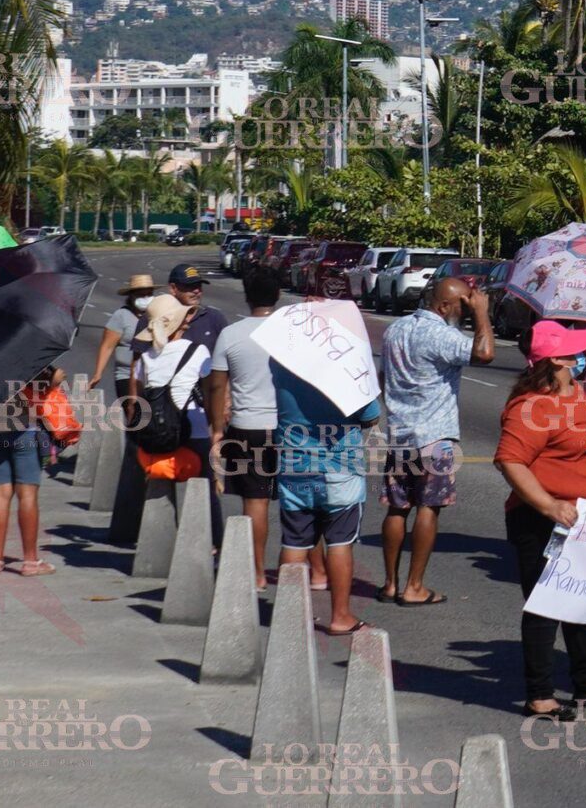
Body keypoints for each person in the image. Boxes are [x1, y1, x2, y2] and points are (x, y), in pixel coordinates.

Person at [496, 320, 586, 720]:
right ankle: (540, 694)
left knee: (582, 601)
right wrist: (550, 506)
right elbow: (510, 460)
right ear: (555, 360)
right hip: (547, 519)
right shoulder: (532, 406)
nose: (579, 358)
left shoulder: (577, 392)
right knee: (546, 607)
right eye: (571, 353)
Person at [379, 278, 497, 606]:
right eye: (463, 305)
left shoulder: (396, 330)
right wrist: (483, 314)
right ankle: (414, 587)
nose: (467, 309)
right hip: (435, 437)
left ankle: (390, 583)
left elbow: (383, 377)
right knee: (428, 509)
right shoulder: (442, 335)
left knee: (397, 508)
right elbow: (484, 353)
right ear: (444, 306)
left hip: (401, 433)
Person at [272, 335, 382, 635]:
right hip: (337, 465)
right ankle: (340, 616)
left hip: (294, 462)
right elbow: (370, 415)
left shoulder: (280, 362)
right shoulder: (344, 368)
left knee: (295, 541)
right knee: (339, 541)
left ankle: (289, 614)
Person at [207, 269, 286, 588]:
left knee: (255, 501)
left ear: (247, 297)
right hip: (290, 427)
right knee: (299, 499)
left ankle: (256, 573)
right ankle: (302, 568)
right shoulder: (292, 334)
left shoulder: (232, 334)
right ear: (278, 296)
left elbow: (216, 387)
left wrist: (216, 430)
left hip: (246, 427)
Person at [0, 373, 56, 575]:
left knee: (0, 493)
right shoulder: (24, 354)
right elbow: (45, 384)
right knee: (27, 494)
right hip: (23, 428)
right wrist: (57, 377)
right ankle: (30, 561)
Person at [133, 294, 213, 470]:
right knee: (203, 487)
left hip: (157, 430)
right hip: (193, 426)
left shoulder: (145, 358)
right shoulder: (198, 351)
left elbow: (139, 397)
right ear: (177, 321)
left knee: (159, 479)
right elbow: (209, 393)